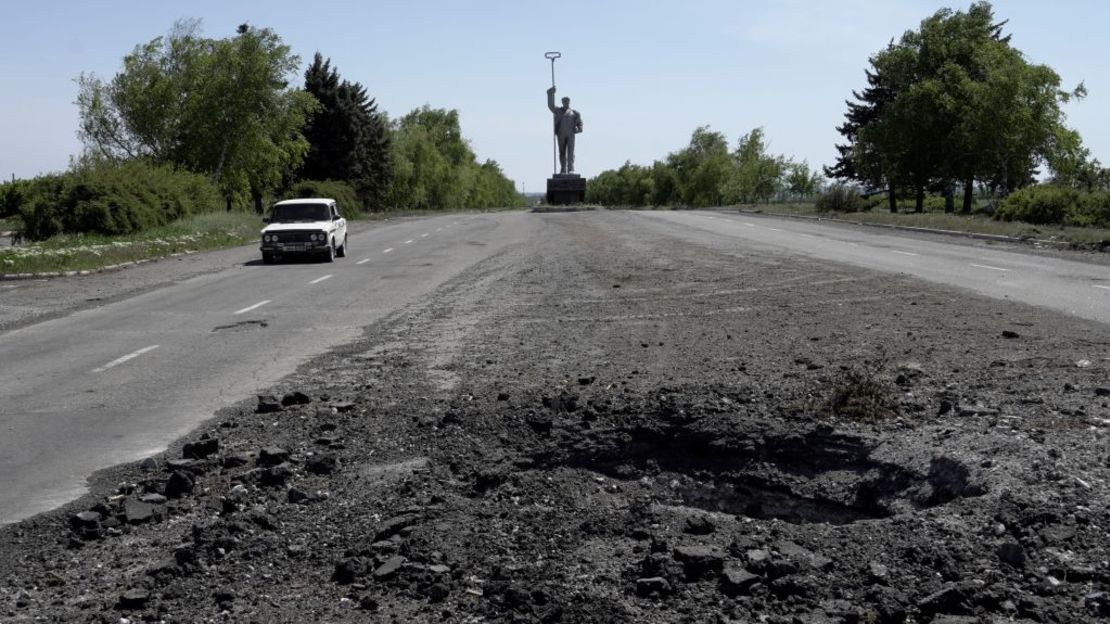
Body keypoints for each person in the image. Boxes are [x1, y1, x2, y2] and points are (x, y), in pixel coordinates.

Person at [547, 87, 583, 174]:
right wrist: (550, 93)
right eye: (564, 101)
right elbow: (550, 106)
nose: (565, 102)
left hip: (571, 134)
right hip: (561, 134)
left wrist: (578, 129)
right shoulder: (559, 111)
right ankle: (563, 168)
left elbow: (580, 124)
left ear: (569, 102)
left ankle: (570, 168)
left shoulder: (574, 113)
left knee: (571, 152)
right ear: (562, 102)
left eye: (567, 101)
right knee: (562, 152)